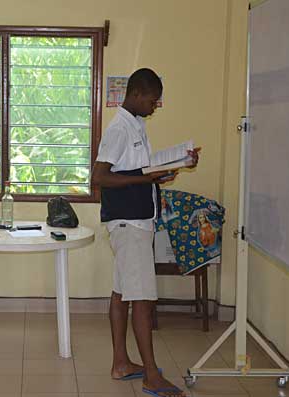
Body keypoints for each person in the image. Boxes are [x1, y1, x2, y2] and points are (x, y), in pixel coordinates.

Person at [91, 68, 199, 397]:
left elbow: (137, 171)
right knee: (141, 299)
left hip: (136, 220)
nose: (155, 106)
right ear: (137, 94)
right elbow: (100, 178)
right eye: (153, 100)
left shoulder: (136, 124)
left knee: (122, 293)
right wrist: (146, 178)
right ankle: (151, 374)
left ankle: (122, 363)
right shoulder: (120, 129)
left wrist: (166, 171)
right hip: (129, 224)